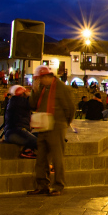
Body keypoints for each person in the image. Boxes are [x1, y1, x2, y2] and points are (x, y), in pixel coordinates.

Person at [28, 65, 75, 196]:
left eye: (40, 79)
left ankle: (58, 185)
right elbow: (32, 104)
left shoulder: (61, 88)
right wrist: (34, 91)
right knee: (41, 157)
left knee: (57, 157)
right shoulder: (42, 88)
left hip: (57, 125)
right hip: (43, 125)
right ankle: (42, 184)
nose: (39, 81)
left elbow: (70, 107)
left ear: (47, 77)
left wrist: (64, 123)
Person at [3, 84, 38, 159]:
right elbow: (33, 104)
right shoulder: (18, 101)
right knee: (39, 142)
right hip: (15, 132)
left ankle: (27, 150)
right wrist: (34, 92)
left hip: (16, 132)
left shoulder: (16, 102)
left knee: (41, 136)